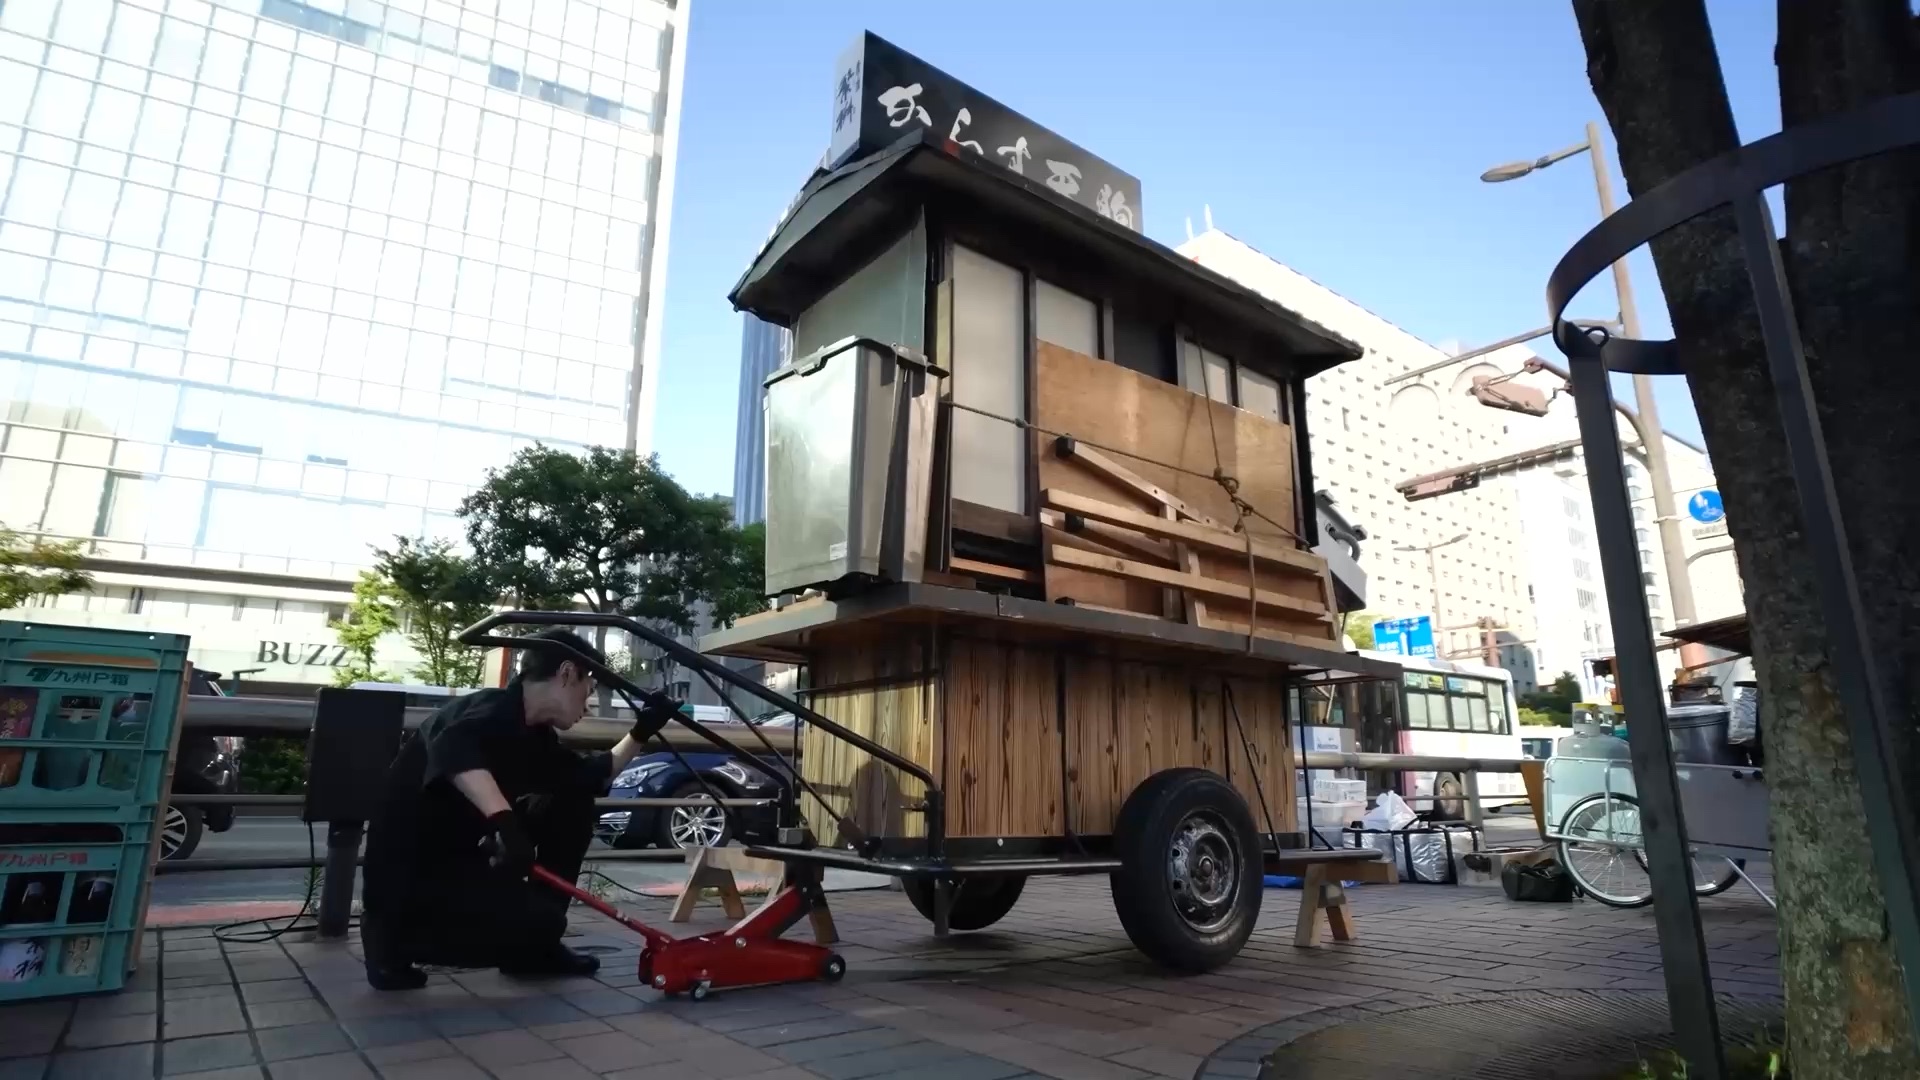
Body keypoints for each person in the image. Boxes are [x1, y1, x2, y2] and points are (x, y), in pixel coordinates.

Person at [359, 629, 682, 991]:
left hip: (466, 862)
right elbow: (453, 749)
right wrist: (506, 825)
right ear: (566, 673)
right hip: (414, 875)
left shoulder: (537, 738)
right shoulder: (485, 708)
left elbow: (587, 776)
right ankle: (391, 945)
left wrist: (642, 730)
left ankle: (537, 950)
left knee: (571, 804)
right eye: (587, 691)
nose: (587, 706)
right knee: (532, 923)